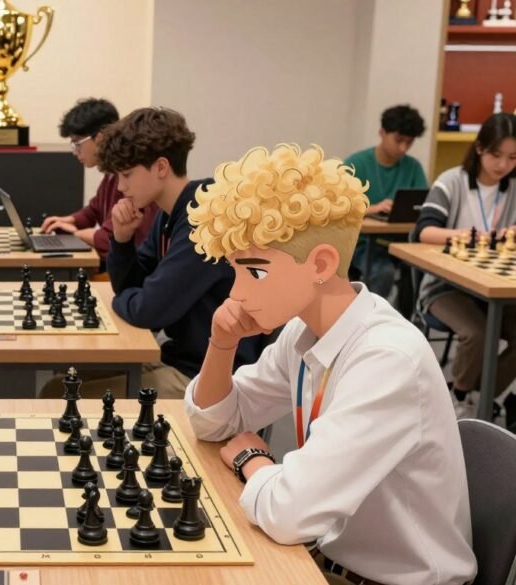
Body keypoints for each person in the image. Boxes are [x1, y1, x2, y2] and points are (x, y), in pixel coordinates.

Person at [185, 143, 476, 585]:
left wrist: (252, 458)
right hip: (330, 560)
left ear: (321, 263)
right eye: (235, 271)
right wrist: (221, 344)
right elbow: (215, 422)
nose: (236, 294)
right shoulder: (305, 332)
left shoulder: (387, 360)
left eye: (255, 272)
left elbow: (288, 511)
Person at [101, 107, 263, 397]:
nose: (122, 187)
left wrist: (121, 301)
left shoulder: (206, 219)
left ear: (161, 167)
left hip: (210, 380)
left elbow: (147, 311)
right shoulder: (169, 213)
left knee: (56, 394)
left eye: (126, 174)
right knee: (62, 384)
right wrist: (122, 240)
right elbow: (133, 289)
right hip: (178, 359)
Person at [416, 112, 516, 425]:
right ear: (479, 149)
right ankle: (459, 396)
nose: (503, 165)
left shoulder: (512, 188)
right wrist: (475, 237)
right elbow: (424, 232)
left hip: (493, 285)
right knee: (477, 332)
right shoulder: (452, 181)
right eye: (496, 155)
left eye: (513, 157)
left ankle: (480, 396)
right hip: (444, 286)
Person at [41, 98, 159, 260]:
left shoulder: (129, 178)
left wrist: (75, 234)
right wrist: (70, 220)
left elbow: (110, 239)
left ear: (101, 137)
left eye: (77, 143)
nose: (75, 152)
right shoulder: (110, 175)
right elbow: (94, 210)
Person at [345, 104, 429, 298]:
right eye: (399, 140)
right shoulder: (356, 163)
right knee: (383, 273)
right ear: (382, 133)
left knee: (420, 269)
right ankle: (371, 318)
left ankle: (409, 321)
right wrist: (373, 208)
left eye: (409, 142)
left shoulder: (413, 167)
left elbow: (422, 203)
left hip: (402, 241)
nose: (403, 148)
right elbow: (338, 207)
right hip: (363, 244)